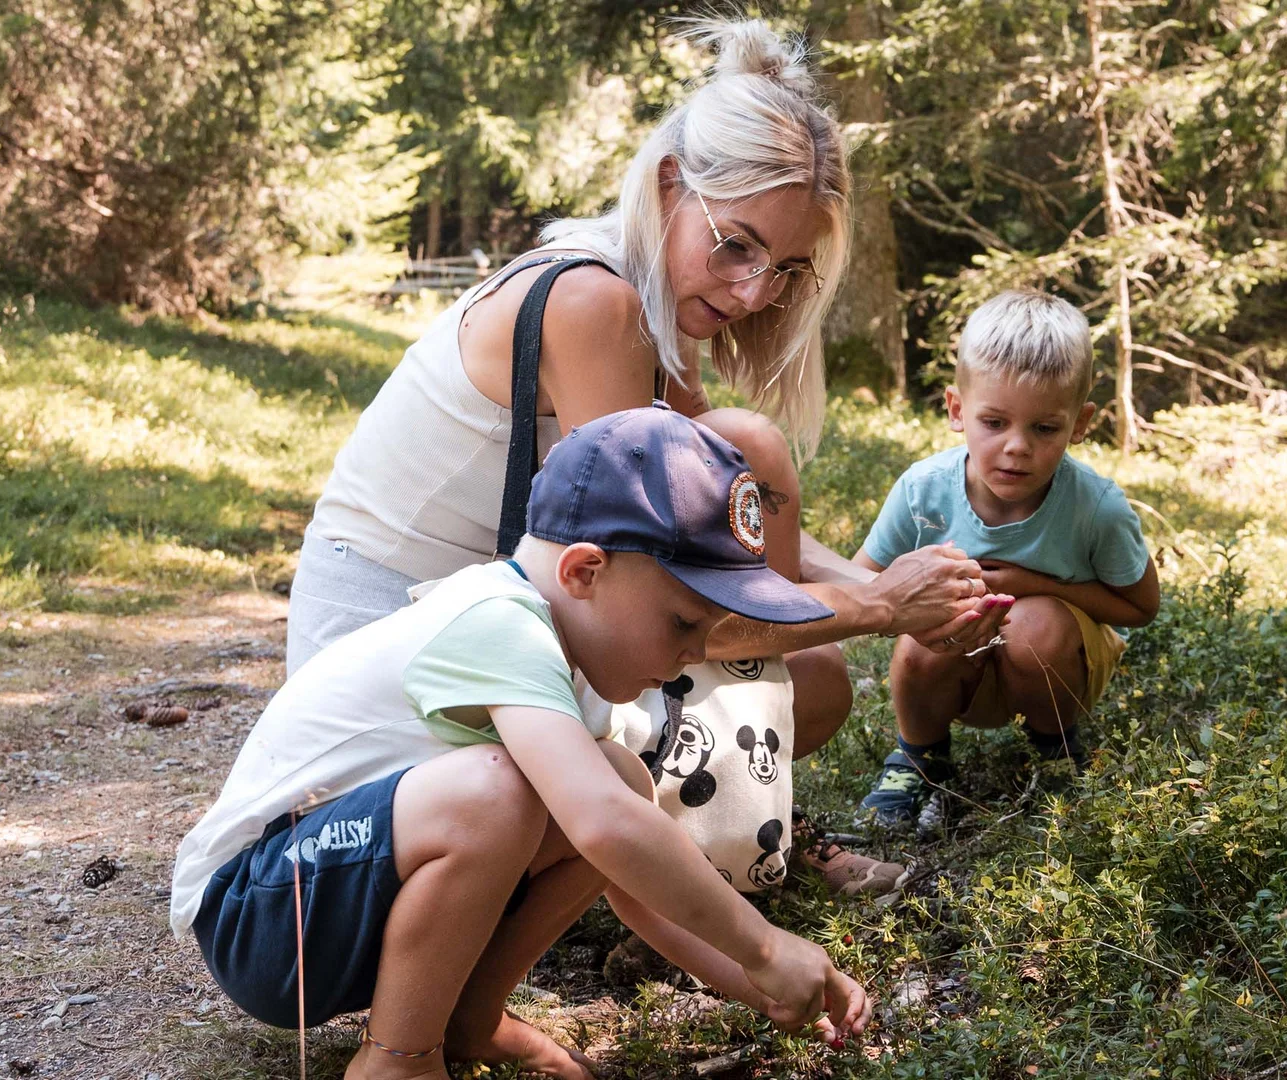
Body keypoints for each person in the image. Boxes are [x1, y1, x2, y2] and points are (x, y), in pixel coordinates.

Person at [288, 18, 1004, 892]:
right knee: (793, 658)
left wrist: (902, 588)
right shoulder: (595, 304)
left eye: (784, 268)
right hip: (390, 659)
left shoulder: (659, 300)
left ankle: (736, 827)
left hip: (472, 622)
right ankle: (696, 855)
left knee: (804, 661)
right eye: (736, 243)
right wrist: (885, 611)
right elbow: (646, 590)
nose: (751, 292)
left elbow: (679, 567)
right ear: (671, 184)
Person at [172, 407, 869, 1080]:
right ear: (585, 572)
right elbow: (601, 824)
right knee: (502, 793)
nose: (693, 655)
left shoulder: (575, 661)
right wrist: (766, 943)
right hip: (260, 916)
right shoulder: (496, 622)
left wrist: (762, 979)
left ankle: (466, 1020)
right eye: (685, 622)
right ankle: (397, 1060)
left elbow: (630, 873)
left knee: (621, 779)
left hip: (334, 908)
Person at [851, 291, 1162, 836]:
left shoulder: (1096, 507)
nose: (1017, 447)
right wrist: (915, 610)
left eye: (1044, 428)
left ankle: (1055, 750)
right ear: (956, 410)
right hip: (954, 666)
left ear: (1081, 422)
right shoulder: (924, 491)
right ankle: (919, 757)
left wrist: (1034, 585)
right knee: (931, 625)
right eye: (994, 422)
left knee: (1034, 622)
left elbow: (1140, 607)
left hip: (1055, 663)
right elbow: (861, 583)